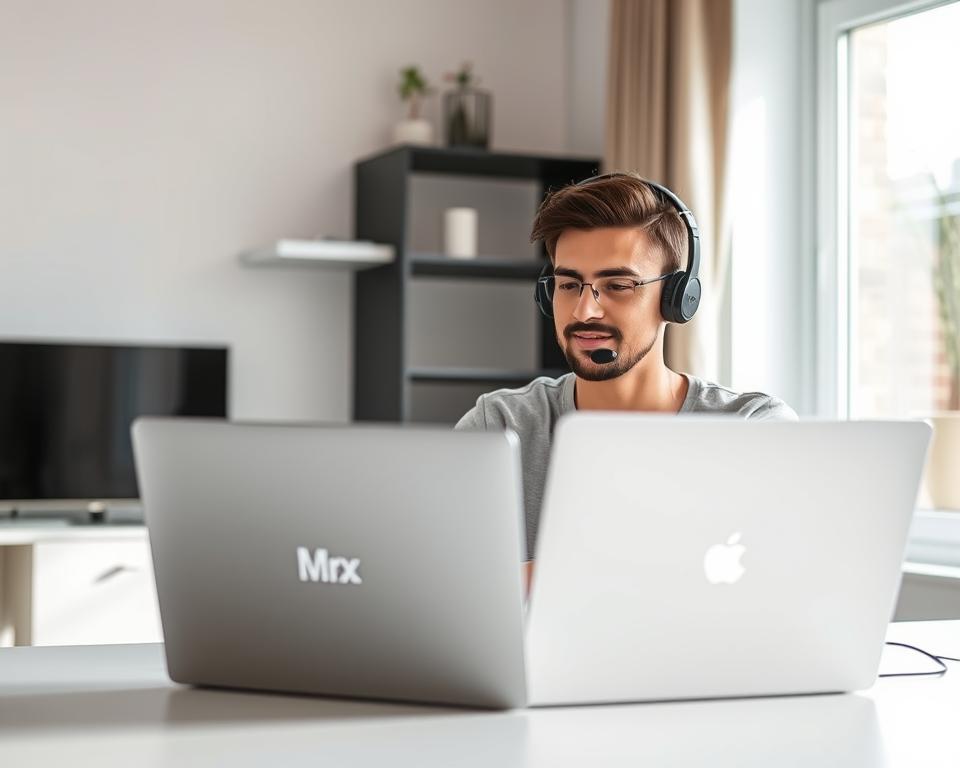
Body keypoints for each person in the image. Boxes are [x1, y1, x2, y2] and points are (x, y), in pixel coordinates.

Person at [454, 172, 797, 590]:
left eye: (617, 285)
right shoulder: (502, 424)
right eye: (568, 285)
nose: (585, 311)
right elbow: (443, 579)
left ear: (677, 298)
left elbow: (785, 583)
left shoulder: (752, 428)